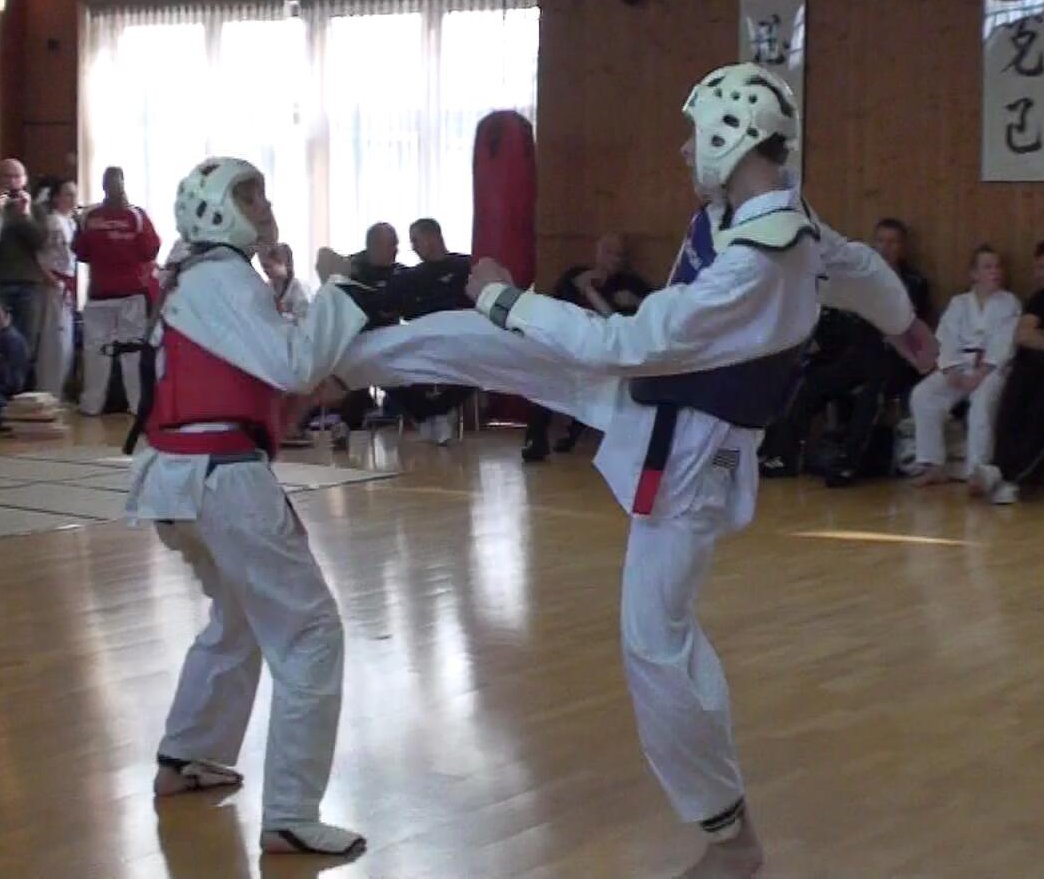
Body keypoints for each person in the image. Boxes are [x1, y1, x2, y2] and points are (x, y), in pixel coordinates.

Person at [334, 63, 931, 878]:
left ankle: (731, 836)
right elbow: (859, 267)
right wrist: (908, 329)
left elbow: (632, 340)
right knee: (497, 346)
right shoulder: (769, 218)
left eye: (696, 133)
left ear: (729, 136)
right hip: (650, 402)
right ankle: (342, 359)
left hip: (692, 452)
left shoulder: (762, 260)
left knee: (655, 640)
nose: (686, 148)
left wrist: (507, 296)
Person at [126, 156, 371, 857]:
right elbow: (295, 364)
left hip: (182, 475)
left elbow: (273, 366)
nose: (263, 205)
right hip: (220, 477)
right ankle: (292, 811)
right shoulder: (218, 277)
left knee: (237, 617)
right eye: (248, 195)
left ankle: (189, 754)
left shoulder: (201, 277)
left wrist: (296, 291)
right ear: (213, 209)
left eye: (262, 192)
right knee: (311, 631)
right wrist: (343, 283)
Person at [522, 233, 654, 462]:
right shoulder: (576, 276)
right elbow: (555, 308)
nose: (615, 259)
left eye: (620, 254)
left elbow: (647, 316)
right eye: (609, 253)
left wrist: (635, 302)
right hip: (568, 346)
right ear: (598, 254)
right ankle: (536, 438)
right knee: (546, 374)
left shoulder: (631, 285)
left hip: (607, 353)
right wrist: (581, 286)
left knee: (599, 379)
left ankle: (574, 434)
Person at [909, 245, 1021, 487]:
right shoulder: (959, 303)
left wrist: (982, 372)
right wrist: (950, 370)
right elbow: (945, 338)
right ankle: (933, 464)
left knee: (982, 403)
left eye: (998, 266)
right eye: (987, 266)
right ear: (974, 274)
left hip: (993, 369)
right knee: (923, 395)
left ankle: (977, 472)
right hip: (959, 366)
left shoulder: (1009, 303)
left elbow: (1005, 342)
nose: (995, 271)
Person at [74, 167, 161, 415]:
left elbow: (150, 250)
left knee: (124, 351)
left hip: (127, 294)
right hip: (106, 294)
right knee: (99, 351)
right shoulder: (94, 217)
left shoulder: (132, 216)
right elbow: (81, 251)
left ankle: (132, 404)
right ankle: (97, 404)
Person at [971, 240, 1044, 503]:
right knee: (1014, 393)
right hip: (1031, 367)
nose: (1040, 274)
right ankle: (999, 467)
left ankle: (1008, 476)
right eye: (1038, 268)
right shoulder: (1038, 299)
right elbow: (1024, 335)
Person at [0, 157, 50, 376]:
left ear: (25, 179)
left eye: (17, 176)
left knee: (26, 344)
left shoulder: (36, 210)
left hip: (29, 285)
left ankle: (21, 398)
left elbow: (39, 241)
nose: (12, 182)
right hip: (1, 283)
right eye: (7, 176)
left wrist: (26, 215)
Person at [259, 242, 311, 322]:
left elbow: (305, 320)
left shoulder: (298, 288)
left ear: (283, 264)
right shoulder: (266, 287)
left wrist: (282, 313)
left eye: (269, 266)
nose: (265, 270)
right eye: (263, 266)